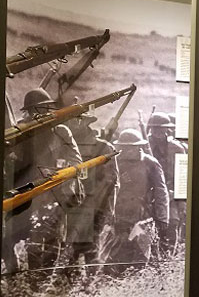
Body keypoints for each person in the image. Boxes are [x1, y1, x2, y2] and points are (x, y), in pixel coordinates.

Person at [3, 88, 83, 271]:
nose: (41, 113)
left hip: (52, 197)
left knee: (46, 247)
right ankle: (16, 278)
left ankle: (39, 285)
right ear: (29, 112)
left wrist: (56, 172)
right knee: (8, 241)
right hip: (22, 197)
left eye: (45, 109)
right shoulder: (19, 131)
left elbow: (76, 162)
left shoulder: (61, 131)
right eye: (36, 110)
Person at [65, 112, 119, 264]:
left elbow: (111, 181)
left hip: (96, 207)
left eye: (79, 121)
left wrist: (109, 209)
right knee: (70, 252)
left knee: (92, 251)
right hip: (71, 206)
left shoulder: (104, 147)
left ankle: (91, 285)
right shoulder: (66, 146)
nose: (75, 125)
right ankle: (68, 283)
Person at [108, 128, 169, 264]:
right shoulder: (114, 161)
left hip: (143, 215)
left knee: (143, 253)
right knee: (117, 252)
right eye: (124, 147)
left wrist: (162, 216)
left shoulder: (150, 163)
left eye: (132, 147)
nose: (128, 150)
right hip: (119, 214)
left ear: (139, 146)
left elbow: (161, 191)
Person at [147, 111, 186, 258]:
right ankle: (152, 258)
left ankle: (167, 257)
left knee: (172, 224)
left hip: (172, 194)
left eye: (161, 128)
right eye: (154, 128)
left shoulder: (177, 148)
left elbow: (183, 176)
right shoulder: (144, 144)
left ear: (167, 129)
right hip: (148, 193)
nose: (157, 131)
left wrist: (181, 199)